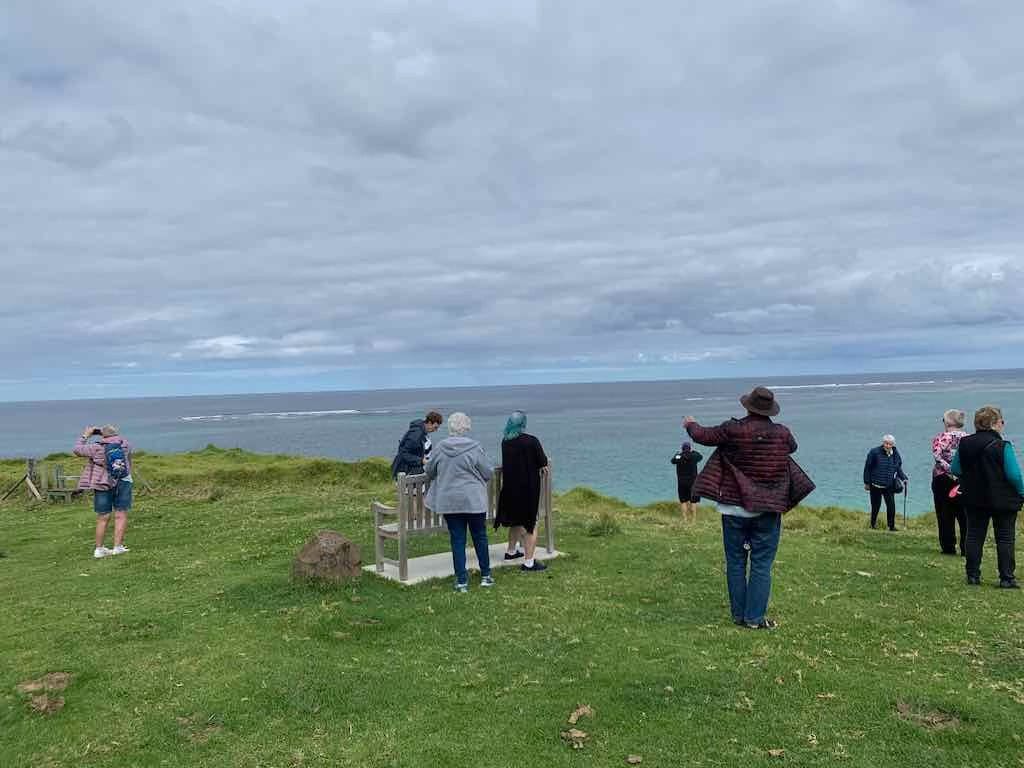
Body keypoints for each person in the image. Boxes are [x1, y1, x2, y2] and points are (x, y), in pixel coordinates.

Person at [684, 386, 812, 630]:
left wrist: (690, 424)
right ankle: (754, 618)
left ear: (747, 406)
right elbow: (792, 447)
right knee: (762, 564)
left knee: (735, 562)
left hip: (733, 510)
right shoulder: (782, 433)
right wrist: (783, 434)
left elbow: (702, 436)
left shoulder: (732, 430)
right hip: (768, 509)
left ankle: (738, 616)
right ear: (770, 410)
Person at [951, 405, 1024, 588]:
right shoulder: (1002, 446)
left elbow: (955, 469)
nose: (1003, 424)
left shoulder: (965, 443)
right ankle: (1006, 578)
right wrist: (1022, 492)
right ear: (994, 424)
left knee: (974, 535)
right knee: (1005, 537)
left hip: (974, 497)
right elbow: (1014, 475)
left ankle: (973, 575)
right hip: (1002, 498)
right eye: (1001, 421)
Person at [424, 412, 494, 592]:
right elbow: (487, 472)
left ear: (450, 427)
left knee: (457, 539)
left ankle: (461, 581)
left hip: (450, 501)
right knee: (479, 536)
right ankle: (486, 575)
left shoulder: (440, 448)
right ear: (466, 428)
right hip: (473, 500)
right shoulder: (475, 447)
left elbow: (430, 471)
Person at [495, 411, 550, 572]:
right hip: (528, 489)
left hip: (510, 488)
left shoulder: (505, 441)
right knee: (530, 523)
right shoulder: (531, 441)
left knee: (516, 521)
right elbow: (543, 461)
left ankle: (511, 551)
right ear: (523, 424)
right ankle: (529, 562)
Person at [73, 424, 133, 559]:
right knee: (121, 514)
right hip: (123, 480)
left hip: (102, 483)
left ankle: (99, 549)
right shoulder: (125, 444)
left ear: (102, 435)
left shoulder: (96, 447)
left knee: (103, 517)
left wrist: (86, 435)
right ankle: (118, 547)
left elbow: (76, 450)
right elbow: (129, 462)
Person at [932, 409, 968, 555]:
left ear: (947, 422)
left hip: (942, 478)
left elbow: (937, 457)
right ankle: (966, 546)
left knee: (944, 513)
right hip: (964, 479)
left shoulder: (941, 438)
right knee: (964, 514)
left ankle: (948, 546)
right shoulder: (969, 438)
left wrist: (950, 469)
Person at [862, 435, 908, 531]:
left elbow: (898, 468)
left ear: (893, 444)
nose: (887, 445)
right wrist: (866, 482)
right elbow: (867, 468)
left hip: (889, 485)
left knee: (891, 507)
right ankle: (873, 525)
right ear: (883, 443)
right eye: (886, 443)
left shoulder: (895, 454)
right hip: (875, 485)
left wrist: (903, 478)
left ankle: (891, 526)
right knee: (875, 506)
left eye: (890, 444)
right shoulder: (874, 452)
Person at [391, 411, 443, 479]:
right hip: (407, 472)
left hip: (413, 471)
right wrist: (421, 460)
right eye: (435, 427)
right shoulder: (416, 434)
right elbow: (403, 453)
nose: (436, 430)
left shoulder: (421, 432)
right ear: (429, 423)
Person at [670, 442, 703, 522]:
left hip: (682, 483)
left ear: (682, 449)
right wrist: (694, 451)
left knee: (683, 501)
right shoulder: (694, 456)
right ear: (690, 448)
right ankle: (693, 520)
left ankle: (685, 519)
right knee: (693, 501)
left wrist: (677, 454)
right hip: (693, 482)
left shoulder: (679, 457)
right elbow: (700, 457)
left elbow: (672, 461)